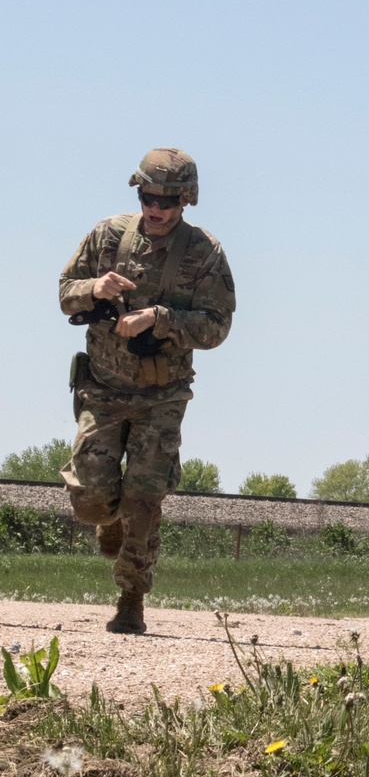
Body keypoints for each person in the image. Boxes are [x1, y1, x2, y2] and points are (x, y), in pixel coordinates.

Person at [59, 149, 236, 634]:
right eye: (148, 196)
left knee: (145, 493)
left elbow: (218, 326)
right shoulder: (108, 235)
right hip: (103, 388)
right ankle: (108, 519)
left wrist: (161, 318)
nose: (155, 207)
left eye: (167, 199)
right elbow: (63, 292)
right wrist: (94, 289)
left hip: (163, 396)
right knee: (90, 498)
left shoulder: (204, 252)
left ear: (186, 200)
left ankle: (131, 597)